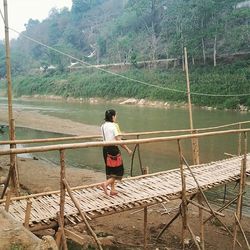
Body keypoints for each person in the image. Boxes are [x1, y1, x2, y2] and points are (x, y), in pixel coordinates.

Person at [100, 109, 132, 196]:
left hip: (105, 149)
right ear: (113, 116)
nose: (116, 117)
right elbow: (118, 140)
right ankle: (105, 184)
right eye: (115, 116)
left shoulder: (102, 126)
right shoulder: (114, 126)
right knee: (119, 171)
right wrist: (128, 149)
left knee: (110, 170)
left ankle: (113, 190)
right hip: (113, 149)